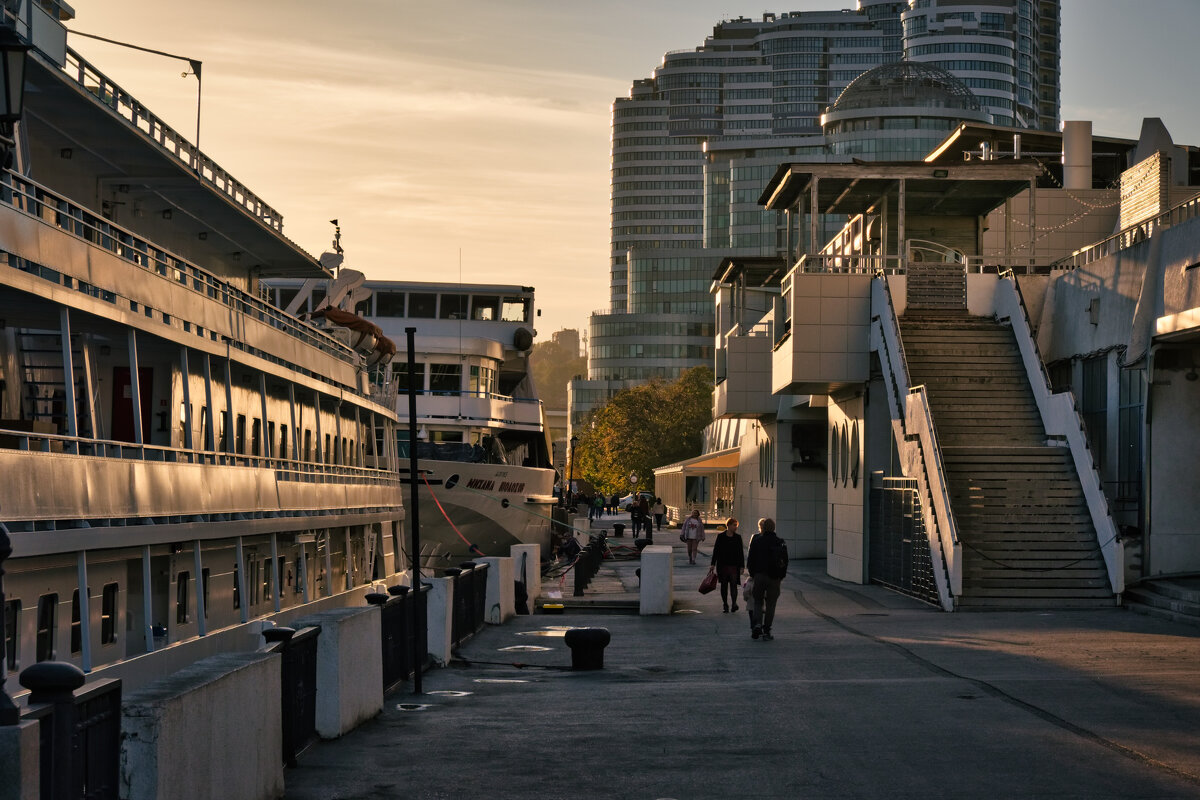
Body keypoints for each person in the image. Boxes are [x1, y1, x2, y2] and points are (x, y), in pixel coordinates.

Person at [745, 517, 788, 641]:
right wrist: (781, 576)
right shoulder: (780, 542)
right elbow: (785, 561)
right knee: (771, 604)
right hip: (774, 578)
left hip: (759, 575)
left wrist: (753, 574)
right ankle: (767, 630)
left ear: (763, 527)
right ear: (774, 528)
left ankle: (757, 623)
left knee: (758, 601)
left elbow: (751, 559)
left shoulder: (757, 541)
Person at [709, 517, 744, 613]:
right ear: (728, 525)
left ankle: (734, 603)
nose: (735, 527)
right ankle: (725, 604)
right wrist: (712, 564)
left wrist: (742, 566)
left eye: (736, 525)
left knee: (733, 584)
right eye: (734, 525)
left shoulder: (738, 537)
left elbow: (740, 553)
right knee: (724, 585)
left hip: (734, 565)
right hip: (723, 564)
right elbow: (716, 551)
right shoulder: (721, 537)